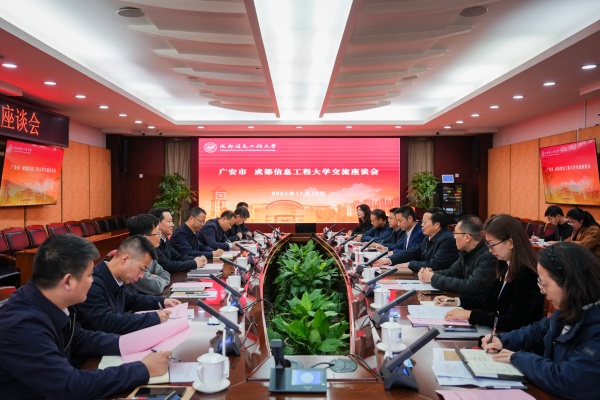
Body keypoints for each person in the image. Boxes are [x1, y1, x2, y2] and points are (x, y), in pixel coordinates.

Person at [0, 234, 171, 399]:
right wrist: (142, 369)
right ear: (68, 281)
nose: (92, 280)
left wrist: (137, 343)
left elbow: (83, 339)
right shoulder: (21, 325)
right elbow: (69, 386)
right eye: (89, 275)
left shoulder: (50, 302)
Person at [482, 242, 600, 400]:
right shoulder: (569, 308)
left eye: (544, 284)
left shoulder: (595, 328)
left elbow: (568, 380)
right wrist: (503, 340)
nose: (542, 291)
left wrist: (518, 358)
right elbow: (537, 331)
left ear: (570, 283)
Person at [438, 214, 544, 331]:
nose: (490, 249)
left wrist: (470, 315)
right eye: (488, 245)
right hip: (499, 333)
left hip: (513, 338)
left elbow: (513, 322)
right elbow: (487, 300)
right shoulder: (505, 265)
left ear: (510, 242)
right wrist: (456, 301)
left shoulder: (527, 275)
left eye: (492, 244)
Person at [74, 235, 180, 334]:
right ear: (125, 259)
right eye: (141, 269)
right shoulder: (93, 284)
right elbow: (108, 323)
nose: (141, 276)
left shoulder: (115, 277)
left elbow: (130, 299)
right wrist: (154, 318)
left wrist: (161, 301)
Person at [419, 215, 497, 295]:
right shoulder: (466, 252)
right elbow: (453, 272)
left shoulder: (488, 256)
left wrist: (433, 278)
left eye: (455, 233)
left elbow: (471, 285)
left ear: (467, 237)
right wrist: (431, 273)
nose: (454, 237)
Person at [375, 207, 458, 272]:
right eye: (422, 221)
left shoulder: (447, 240)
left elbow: (436, 265)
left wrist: (410, 264)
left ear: (436, 225)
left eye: (425, 222)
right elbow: (414, 252)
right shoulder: (429, 236)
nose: (422, 225)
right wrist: (389, 260)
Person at [150, 207, 208, 273]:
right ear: (157, 223)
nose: (173, 225)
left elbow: (178, 257)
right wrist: (194, 263)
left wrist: (197, 259)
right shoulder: (153, 241)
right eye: (169, 221)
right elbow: (166, 266)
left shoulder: (165, 240)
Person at [126, 214, 171, 295]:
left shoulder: (147, 253)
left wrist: (154, 277)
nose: (160, 236)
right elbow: (156, 287)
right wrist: (154, 277)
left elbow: (165, 273)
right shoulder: (134, 257)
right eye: (157, 233)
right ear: (145, 238)